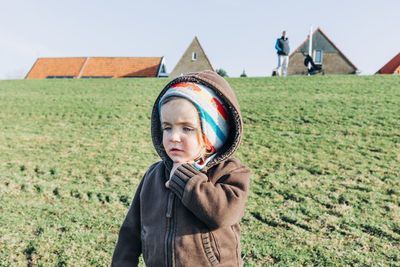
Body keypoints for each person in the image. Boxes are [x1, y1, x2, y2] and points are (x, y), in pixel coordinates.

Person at [112, 70, 251, 266]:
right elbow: (131, 232)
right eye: (167, 127)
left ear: (212, 136)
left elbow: (223, 214)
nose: (173, 137)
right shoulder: (154, 176)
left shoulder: (229, 171)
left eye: (187, 128)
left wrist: (185, 179)